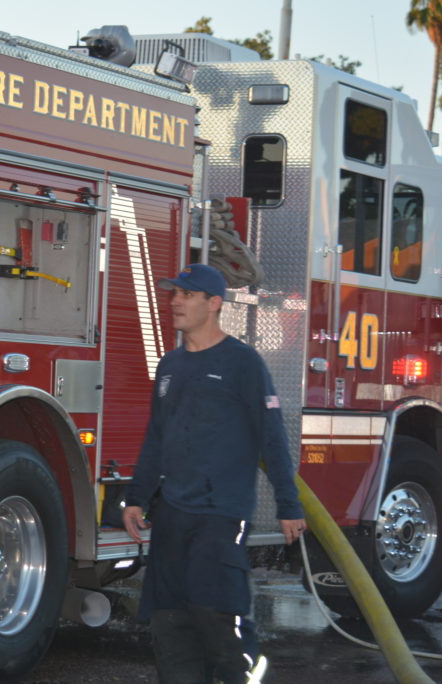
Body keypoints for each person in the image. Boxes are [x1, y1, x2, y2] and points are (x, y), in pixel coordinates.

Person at [122, 263, 306, 684]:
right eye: (174, 294)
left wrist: (288, 504)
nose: (176, 302)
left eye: (187, 295)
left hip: (221, 513)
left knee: (217, 615)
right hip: (172, 513)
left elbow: (272, 437)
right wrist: (136, 497)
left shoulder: (243, 363)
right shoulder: (170, 366)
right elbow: (157, 436)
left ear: (214, 304)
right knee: (169, 622)